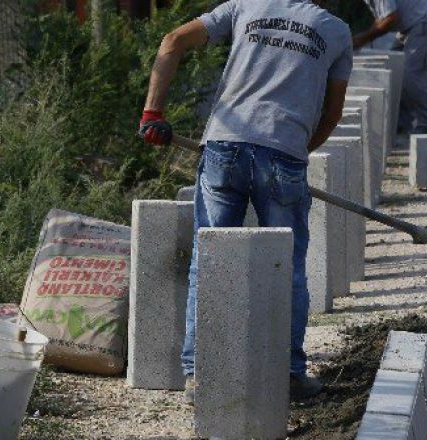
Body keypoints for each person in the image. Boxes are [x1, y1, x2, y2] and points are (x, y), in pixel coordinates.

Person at [138, 0, 353, 402]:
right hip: (284, 153)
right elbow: (332, 112)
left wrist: (152, 113)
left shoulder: (244, 7)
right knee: (287, 266)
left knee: (209, 259)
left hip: (223, 148)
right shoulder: (337, 30)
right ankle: (288, 374)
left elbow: (171, 42)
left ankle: (198, 374)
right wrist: (294, 152)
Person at [352, 0, 427, 135]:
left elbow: (391, 18)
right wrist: (364, 37)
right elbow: (383, 18)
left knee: (408, 73)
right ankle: (402, 122)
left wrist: (364, 38)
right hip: (409, 26)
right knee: (394, 69)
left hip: (425, 21)